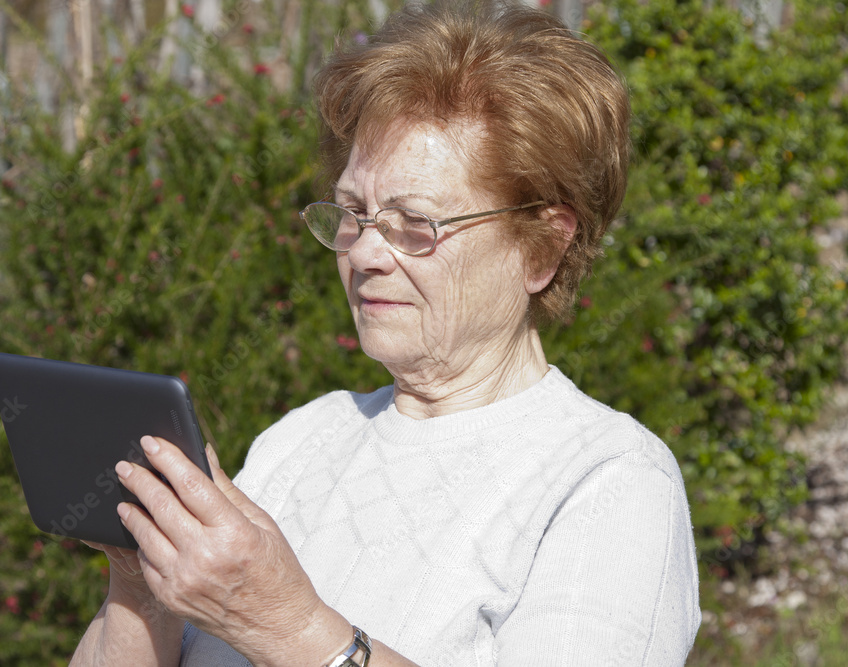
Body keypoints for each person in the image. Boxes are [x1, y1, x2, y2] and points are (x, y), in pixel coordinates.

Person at [70, 1, 701, 665]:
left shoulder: (609, 481)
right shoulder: (300, 443)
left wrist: (287, 625)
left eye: (415, 223)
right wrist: (141, 582)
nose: (367, 253)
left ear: (542, 247)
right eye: (353, 212)